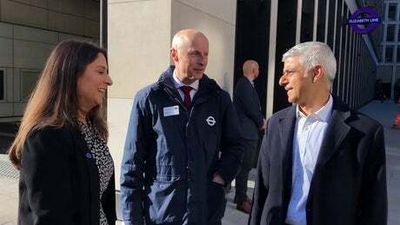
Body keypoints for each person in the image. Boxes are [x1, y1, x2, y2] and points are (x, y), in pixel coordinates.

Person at [249, 42, 387, 225]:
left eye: (289, 72)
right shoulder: (275, 124)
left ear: (316, 73)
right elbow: (261, 193)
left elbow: (374, 208)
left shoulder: (365, 133)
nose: (282, 80)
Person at [120, 29, 244, 225]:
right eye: (195, 53)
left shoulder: (218, 99)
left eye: (206, 54)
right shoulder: (150, 99)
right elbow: (132, 165)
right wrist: (131, 218)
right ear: (174, 54)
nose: (202, 61)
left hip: (206, 213)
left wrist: (220, 178)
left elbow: (236, 146)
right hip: (162, 214)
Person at [8, 40, 116, 225]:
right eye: (100, 71)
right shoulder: (45, 137)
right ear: (72, 74)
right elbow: (49, 216)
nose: (109, 80)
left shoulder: (91, 128)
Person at [233, 60, 265, 214]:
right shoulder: (244, 85)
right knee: (244, 168)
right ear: (253, 69)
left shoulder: (247, 85)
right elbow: (251, 108)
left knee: (244, 167)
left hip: (248, 132)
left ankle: (241, 196)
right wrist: (261, 122)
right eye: (258, 67)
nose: (259, 70)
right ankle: (241, 199)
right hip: (246, 134)